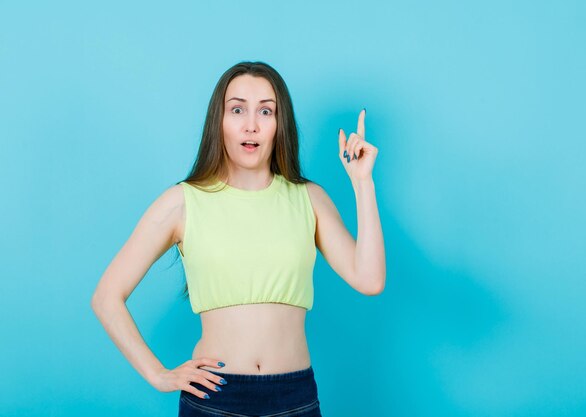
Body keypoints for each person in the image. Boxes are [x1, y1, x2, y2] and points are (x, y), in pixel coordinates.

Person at [91, 61, 386, 417]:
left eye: (266, 111)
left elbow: (369, 279)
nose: (251, 124)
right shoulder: (183, 202)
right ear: (220, 121)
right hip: (215, 399)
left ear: (280, 125)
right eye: (237, 109)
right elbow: (106, 297)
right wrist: (159, 375)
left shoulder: (308, 198)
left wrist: (362, 183)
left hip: (294, 398)